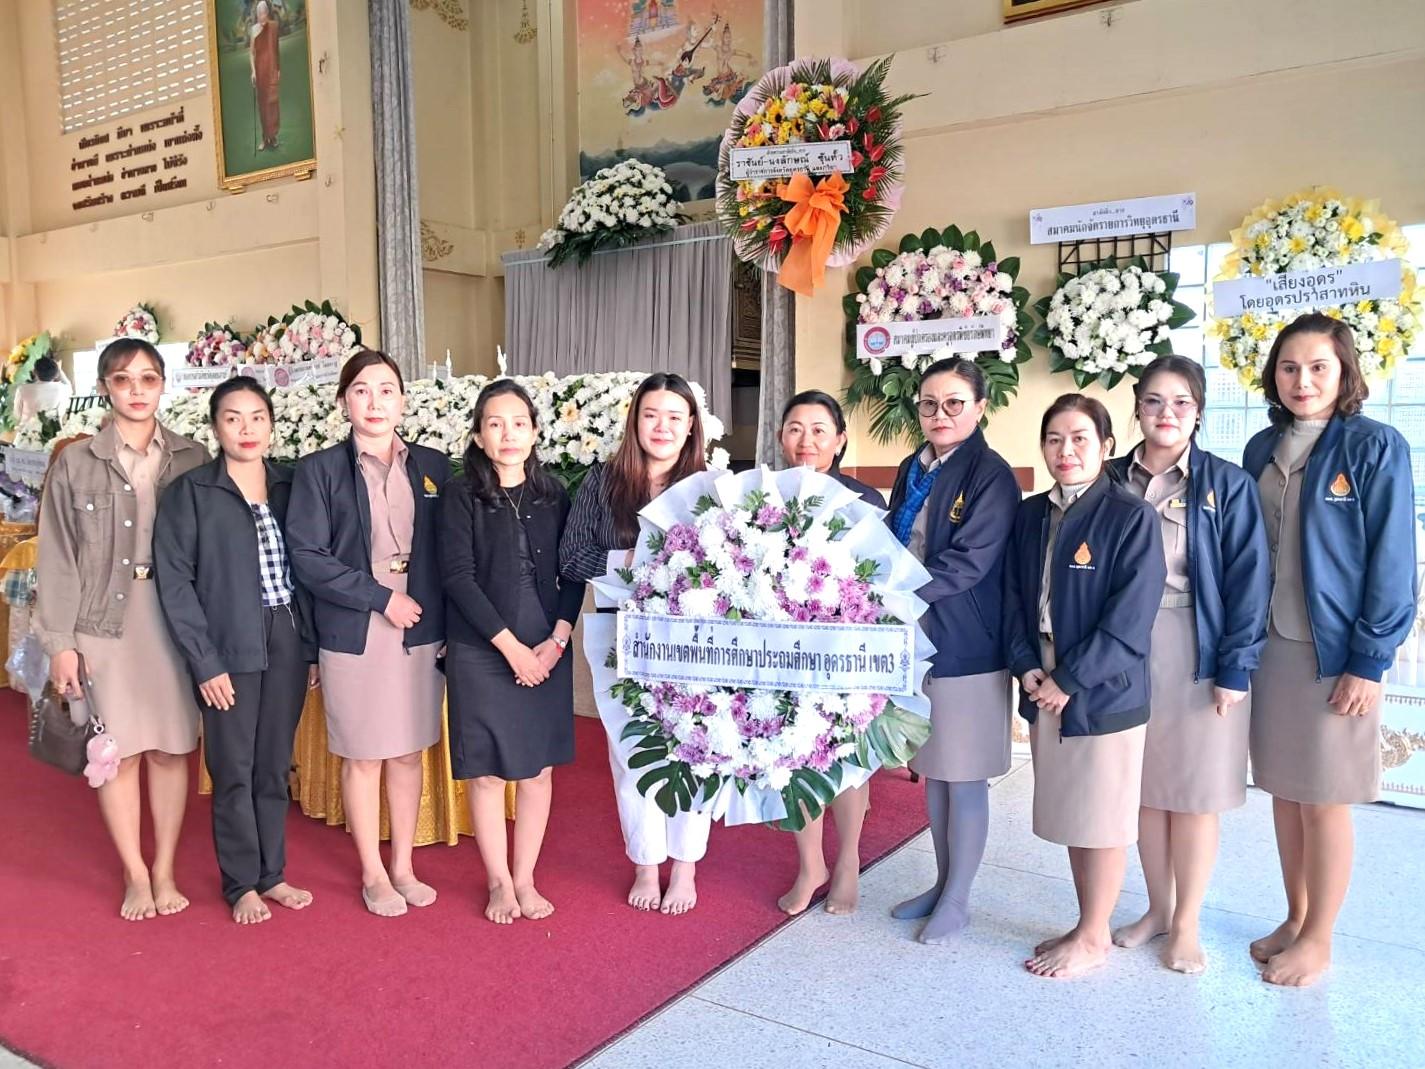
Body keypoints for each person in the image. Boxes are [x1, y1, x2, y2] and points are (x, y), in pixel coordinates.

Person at [1241, 312, 1415, 987]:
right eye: (1288, 366)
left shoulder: (1376, 446)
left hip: (1336, 651)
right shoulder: (1261, 447)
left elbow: (1392, 558)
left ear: (1343, 372)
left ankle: (1319, 938)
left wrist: (1368, 659)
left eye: (1317, 366)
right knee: (1285, 792)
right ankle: (1293, 916)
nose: (1302, 379)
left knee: (1325, 799)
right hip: (1271, 647)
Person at [1106, 355, 1270, 973]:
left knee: (1195, 793)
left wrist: (1236, 668)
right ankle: (1155, 908)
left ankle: (1188, 923)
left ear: (1198, 412)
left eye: (1180, 402)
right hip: (1125, 645)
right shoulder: (1111, 478)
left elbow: (1250, 581)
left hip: (1198, 646)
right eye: (1153, 401)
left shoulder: (1227, 484)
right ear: (1138, 408)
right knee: (1145, 789)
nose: (1165, 413)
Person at [35, 338, 208, 921]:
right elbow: (56, 557)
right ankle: (135, 873)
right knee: (118, 752)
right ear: (106, 388)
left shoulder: (192, 457)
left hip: (173, 620)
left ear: (164, 386)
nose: (136, 391)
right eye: (123, 380)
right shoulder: (75, 462)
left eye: (148, 379)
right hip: (102, 625)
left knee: (169, 749)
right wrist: (59, 644)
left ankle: (165, 869)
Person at [1003, 394, 1166, 978]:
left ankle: (1095, 937)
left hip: (1101, 687)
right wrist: (1027, 667)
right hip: (1043, 676)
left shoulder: (1129, 517)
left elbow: (1130, 619)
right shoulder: (1028, 515)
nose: (1065, 451)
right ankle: (1085, 921)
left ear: (1106, 447)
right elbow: (1013, 602)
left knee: (1103, 816)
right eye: (1054, 439)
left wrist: (1068, 680)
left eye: (1079, 439)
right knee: (1076, 812)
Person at [287, 350, 450, 918]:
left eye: (387, 390)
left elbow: (451, 553)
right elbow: (307, 557)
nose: (375, 401)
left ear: (403, 400)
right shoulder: (320, 470)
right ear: (343, 402)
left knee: (407, 753)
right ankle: (372, 872)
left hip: (419, 628)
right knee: (363, 757)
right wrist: (382, 598)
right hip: (357, 626)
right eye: (362, 390)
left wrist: (442, 620)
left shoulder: (434, 465)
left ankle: (403, 865)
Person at [154, 377, 319, 925]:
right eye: (232, 418)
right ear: (215, 427)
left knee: (273, 765)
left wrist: (311, 648)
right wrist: (205, 661)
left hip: (287, 638)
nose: (246, 429)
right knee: (233, 768)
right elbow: (175, 584)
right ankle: (240, 883)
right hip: (227, 646)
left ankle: (272, 873)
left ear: (272, 425)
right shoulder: (191, 493)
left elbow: (312, 569)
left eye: (256, 417)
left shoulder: (293, 485)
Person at [560, 372, 710, 914]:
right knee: (631, 753)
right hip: (618, 634)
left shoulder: (709, 487)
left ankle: (685, 868)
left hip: (691, 643)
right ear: (635, 421)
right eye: (652, 414)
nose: (662, 426)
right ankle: (646, 864)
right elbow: (571, 557)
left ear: (690, 425)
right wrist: (633, 561)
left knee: (694, 749)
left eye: (675, 416)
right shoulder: (603, 483)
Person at [884, 358, 1022, 942]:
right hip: (914, 639)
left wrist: (888, 590)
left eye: (953, 403)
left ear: (980, 407)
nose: (938, 415)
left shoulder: (991, 475)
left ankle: (960, 898)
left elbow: (967, 564)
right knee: (935, 773)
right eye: (928, 404)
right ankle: (942, 884)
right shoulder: (913, 469)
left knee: (963, 777)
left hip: (966, 643)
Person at [441, 380, 585, 925]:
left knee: (537, 772)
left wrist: (556, 640)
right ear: (478, 435)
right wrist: (511, 650)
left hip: (547, 644)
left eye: (518, 422)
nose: (507, 433)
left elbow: (572, 572)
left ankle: (525, 876)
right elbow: (457, 577)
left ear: (534, 431)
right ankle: (498, 881)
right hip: (483, 647)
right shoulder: (460, 494)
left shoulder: (553, 492)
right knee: (487, 774)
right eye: (495, 423)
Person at [774, 390, 886, 916]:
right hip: (783, 654)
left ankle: (847, 866)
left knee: (847, 760)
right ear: (780, 438)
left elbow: (880, 582)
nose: (806, 441)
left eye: (820, 430)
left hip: (846, 653)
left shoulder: (866, 501)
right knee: (793, 755)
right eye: (795, 428)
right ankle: (809, 864)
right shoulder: (762, 499)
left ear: (839, 441)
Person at [250, 1, 281, 151]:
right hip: (260, 71)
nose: (261, 18)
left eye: (263, 14)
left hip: (272, 69)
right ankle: (264, 137)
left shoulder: (274, 27)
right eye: (258, 15)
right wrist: (253, 71)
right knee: (263, 105)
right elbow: (251, 53)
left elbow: (276, 48)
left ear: (267, 13)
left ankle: (273, 136)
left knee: (272, 103)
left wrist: (278, 69)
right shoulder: (254, 30)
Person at [13, 356, 73, 425]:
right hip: (54, 432)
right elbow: (69, 385)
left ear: (34, 372)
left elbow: (17, 414)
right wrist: (59, 369)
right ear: (56, 374)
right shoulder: (62, 388)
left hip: (27, 431)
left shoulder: (22, 389)